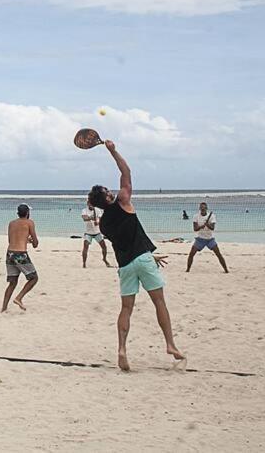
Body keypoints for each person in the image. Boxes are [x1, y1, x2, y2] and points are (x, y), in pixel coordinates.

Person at [89, 139, 184, 371]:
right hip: (142, 260)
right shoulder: (123, 201)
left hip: (125, 266)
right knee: (159, 302)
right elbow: (126, 171)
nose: (111, 190)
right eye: (107, 191)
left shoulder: (103, 224)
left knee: (126, 309)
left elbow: (126, 244)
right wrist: (113, 150)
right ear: (108, 197)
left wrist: (149, 255)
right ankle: (170, 344)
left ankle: (121, 349)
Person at [1, 204, 39, 312]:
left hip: (10, 253)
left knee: (12, 282)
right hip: (20, 253)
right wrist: (31, 241)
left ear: (18, 213)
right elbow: (36, 243)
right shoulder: (29, 222)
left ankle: (4, 308)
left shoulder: (11, 223)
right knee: (34, 278)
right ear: (27, 213)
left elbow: (11, 240)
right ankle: (19, 298)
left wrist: (24, 239)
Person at [186, 202, 229, 273]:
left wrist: (207, 224)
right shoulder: (196, 216)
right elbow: (195, 229)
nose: (203, 210)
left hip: (210, 239)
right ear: (199, 209)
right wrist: (201, 226)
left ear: (206, 209)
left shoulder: (212, 216)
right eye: (201, 208)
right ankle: (187, 270)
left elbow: (212, 228)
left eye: (204, 208)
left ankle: (226, 270)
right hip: (200, 239)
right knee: (191, 254)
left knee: (218, 254)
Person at [81, 197, 111, 268]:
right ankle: (84, 263)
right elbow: (84, 218)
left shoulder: (97, 210)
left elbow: (101, 220)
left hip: (97, 232)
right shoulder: (84, 210)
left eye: (92, 204)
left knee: (104, 247)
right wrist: (91, 218)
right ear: (87, 204)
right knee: (85, 246)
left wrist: (98, 222)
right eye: (90, 203)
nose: (91, 205)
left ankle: (104, 259)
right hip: (88, 233)